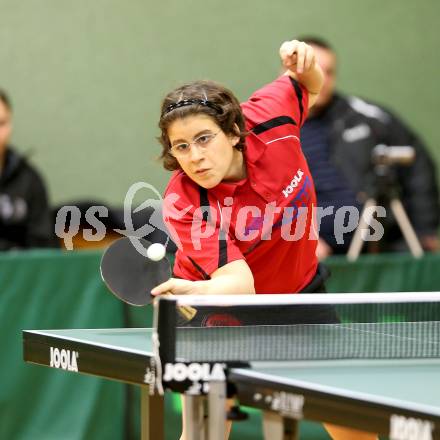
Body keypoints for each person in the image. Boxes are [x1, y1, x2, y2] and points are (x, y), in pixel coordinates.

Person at [151, 40, 378, 440]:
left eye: (204, 139)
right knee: (205, 429)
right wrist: (197, 289)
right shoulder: (185, 201)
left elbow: (308, 84)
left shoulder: (270, 118)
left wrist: (305, 62)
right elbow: (240, 285)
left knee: (354, 424)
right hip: (219, 310)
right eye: (181, 147)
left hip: (300, 295)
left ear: (234, 132)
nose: (194, 157)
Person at [297, 36, 440, 259]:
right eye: (314, 69)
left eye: (329, 71)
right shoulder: (273, 129)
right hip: (307, 254)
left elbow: (418, 167)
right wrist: (301, 239)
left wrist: (425, 230)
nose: (322, 79)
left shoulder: (369, 117)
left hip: (376, 249)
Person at [0, 89, 55, 250]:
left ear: (11, 125)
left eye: (2, 123)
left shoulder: (29, 179)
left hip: (20, 271)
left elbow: (43, 244)